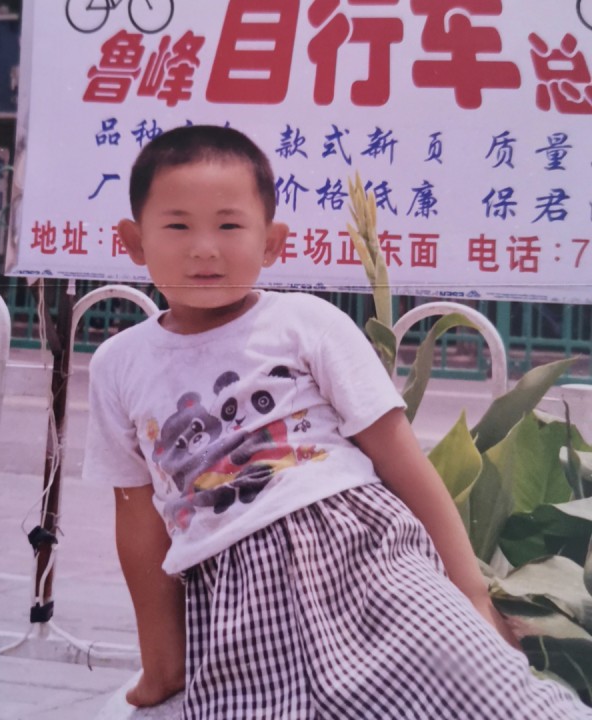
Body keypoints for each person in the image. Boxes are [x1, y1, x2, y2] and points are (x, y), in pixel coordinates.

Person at [83, 124, 590, 719]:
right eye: (177, 226)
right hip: (236, 599)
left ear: (271, 243)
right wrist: (162, 664)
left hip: (367, 557)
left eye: (229, 226)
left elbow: (400, 458)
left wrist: (474, 599)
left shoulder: (306, 322)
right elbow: (138, 520)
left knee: (491, 695)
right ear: (133, 240)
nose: (204, 248)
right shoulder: (118, 363)